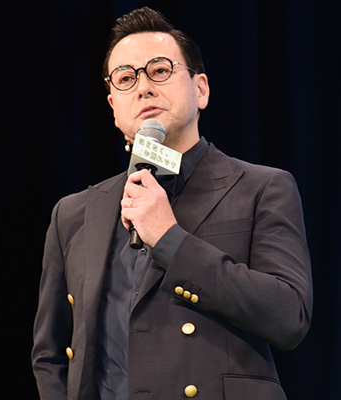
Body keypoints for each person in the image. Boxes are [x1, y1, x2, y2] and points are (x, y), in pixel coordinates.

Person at [32, 6, 312, 400]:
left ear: (201, 90)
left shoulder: (261, 188)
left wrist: (170, 239)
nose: (143, 87)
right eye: (126, 78)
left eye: (160, 70)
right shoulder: (73, 213)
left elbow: (289, 317)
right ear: (113, 108)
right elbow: (49, 353)